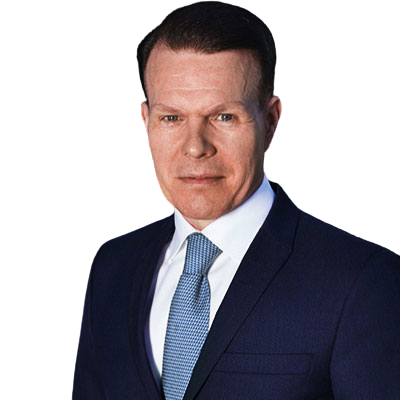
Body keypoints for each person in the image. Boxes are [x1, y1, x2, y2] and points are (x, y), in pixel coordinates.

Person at [72, 2, 400, 399]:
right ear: (146, 122)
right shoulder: (112, 266)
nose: (195, 147)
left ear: (271, 121)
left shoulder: (362, 280)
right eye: (171, 118)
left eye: (223, 117)